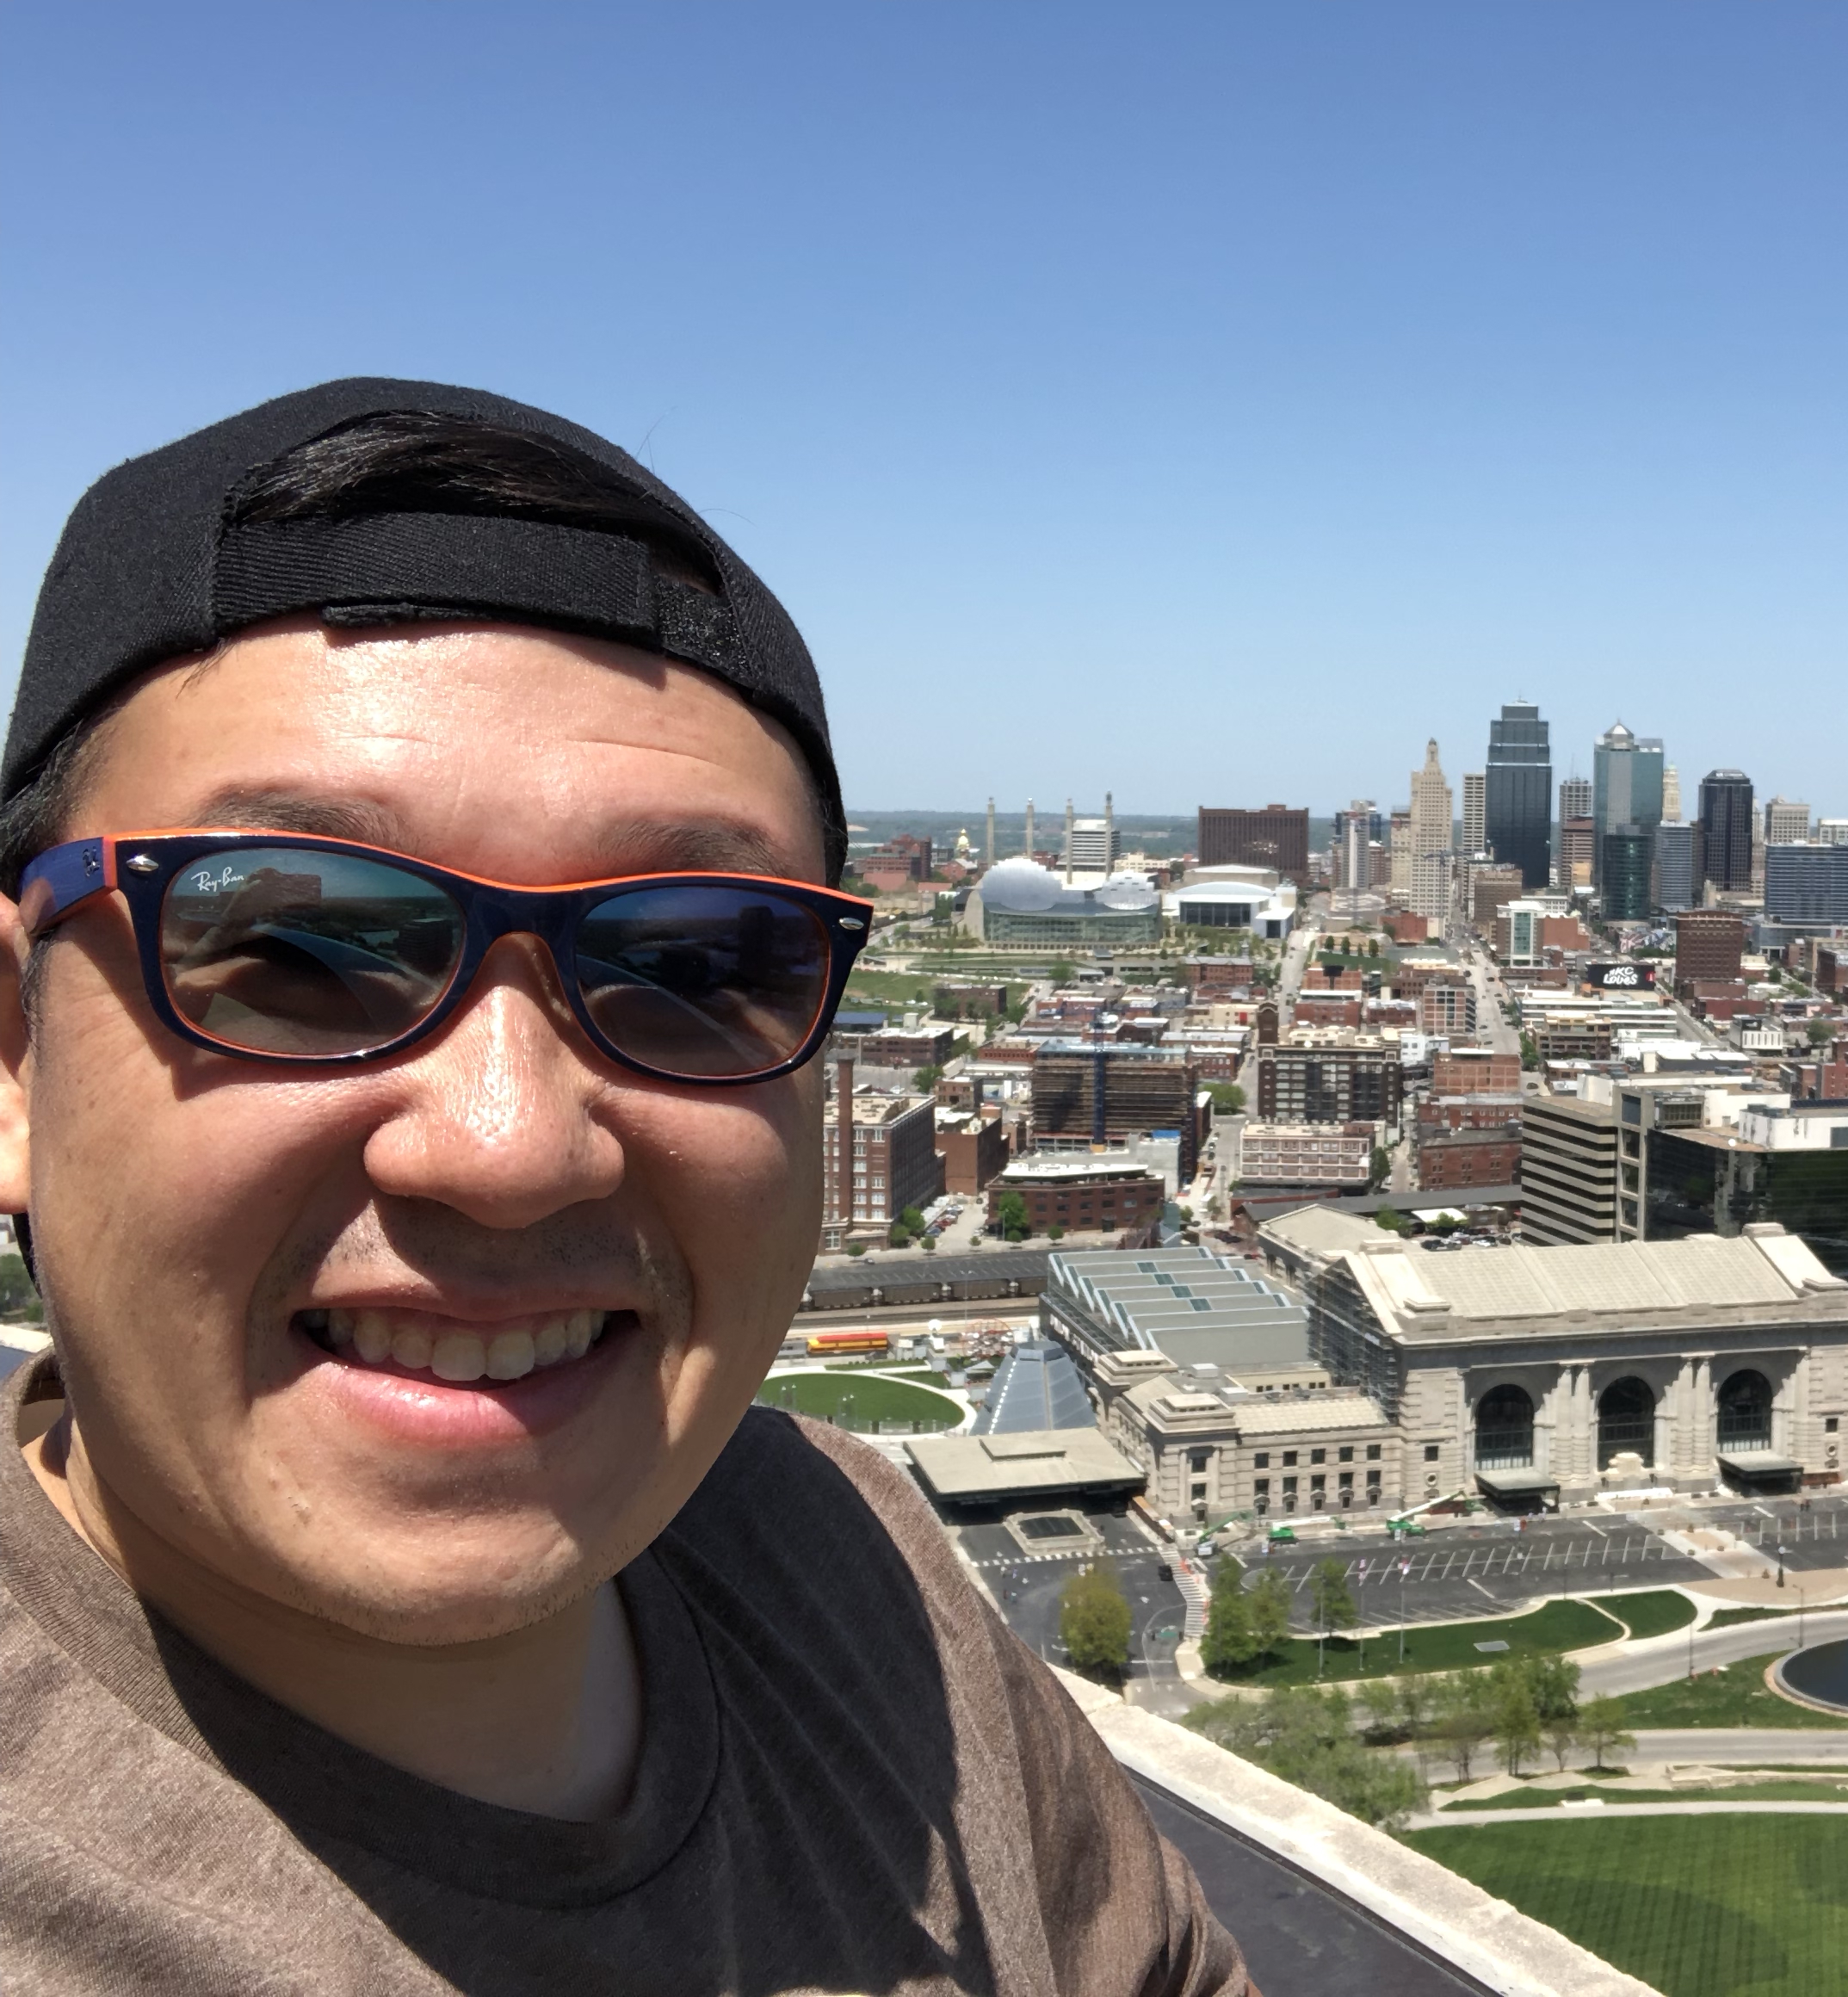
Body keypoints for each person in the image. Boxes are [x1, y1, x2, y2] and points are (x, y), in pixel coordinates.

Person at [0, 380, 1249, 1995]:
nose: (510, 1149)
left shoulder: (836, 1554)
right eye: (303, 950)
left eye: (697, 964)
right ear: (17, 1055)